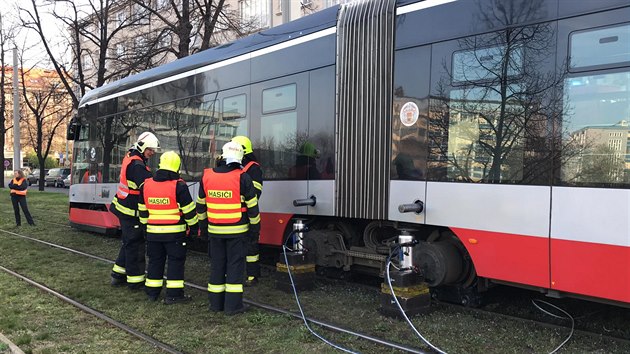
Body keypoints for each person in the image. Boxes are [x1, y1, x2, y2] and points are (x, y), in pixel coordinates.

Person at [197, 141, 260, 315]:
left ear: (223, 156)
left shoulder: (207, 176)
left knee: (217, 266)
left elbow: (200, 207)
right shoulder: (243, 177)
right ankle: (233, 306)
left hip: (215, 232)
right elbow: (253, 209)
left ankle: (215, 304)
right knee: (235, 267)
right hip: (237, 232)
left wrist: (203, 229)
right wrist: (255, 231)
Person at [138, 151, 198, 304]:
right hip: (175, 235)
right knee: (175, 262)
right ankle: (174, 295)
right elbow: (190, 212)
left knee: (155, 262)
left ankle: (152, 293)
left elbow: (142, 211)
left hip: (153, 233)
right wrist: (194, 229)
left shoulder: (146, 185)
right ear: (177, 167)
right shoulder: (179, 186)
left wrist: (146, 228)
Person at [109, 132, 159, 290]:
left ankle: (118, 275)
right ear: (143, 146)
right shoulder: (138, 165)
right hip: (131, 211)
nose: (152, 153)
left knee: (128, 243)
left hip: (124, 207)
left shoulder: (132, 157)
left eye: (154, 150)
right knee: (135, 245)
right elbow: (148, 187)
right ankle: (135, 281)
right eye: (151, 149)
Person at [231, 135, 263, 287]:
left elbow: (256, 192)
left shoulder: (253, 168)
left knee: (251, 245)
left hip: (248, 212)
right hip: (237, 212)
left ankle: (252, 275)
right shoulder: (236, 167)